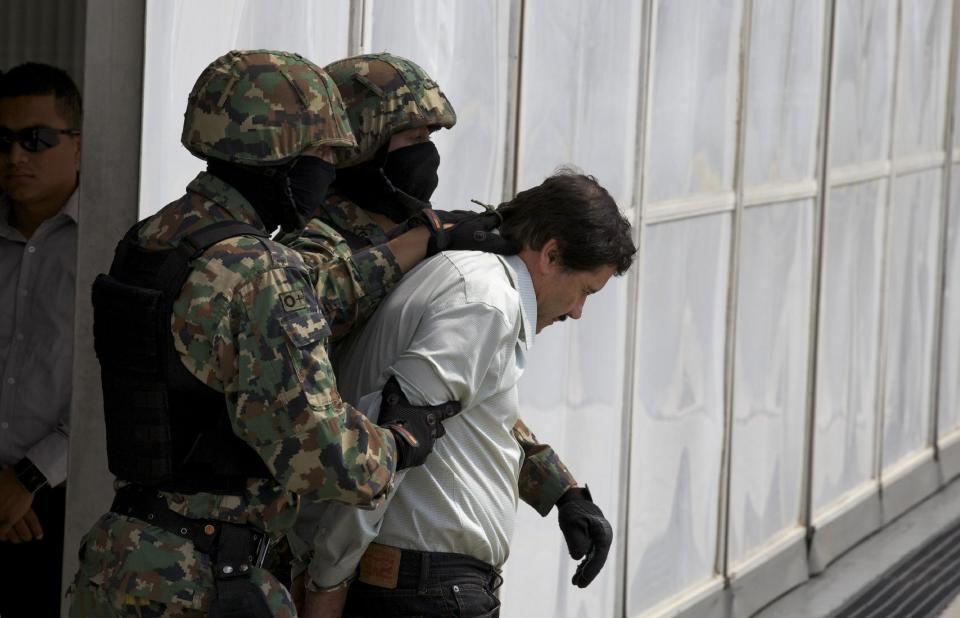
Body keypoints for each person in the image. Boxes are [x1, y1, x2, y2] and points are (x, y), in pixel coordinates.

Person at [69, 49, 464, 618]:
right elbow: (320, 452)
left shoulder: (156, 237)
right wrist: (400, 442)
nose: (329, 166)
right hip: (202, 579)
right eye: (324, 151)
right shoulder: (259, 267)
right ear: (280, 153)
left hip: (120, 561)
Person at [283, 53, 615, 611]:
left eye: (429, 134)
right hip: (317, 525)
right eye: (409, 135)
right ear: (360, 141)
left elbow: (451, 395)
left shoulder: (439, 247)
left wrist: (556, 486)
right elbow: (302, 323)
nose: (426, 152)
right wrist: (327, 584)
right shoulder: (315, 245)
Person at [0, 62, 82, 618]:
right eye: (2, 141)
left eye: (36, 140)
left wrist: (27, 479)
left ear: (77, 144)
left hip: (62, 501)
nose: (15, 157)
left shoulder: (114, 245)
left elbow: (108, 391)